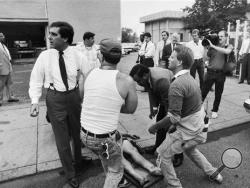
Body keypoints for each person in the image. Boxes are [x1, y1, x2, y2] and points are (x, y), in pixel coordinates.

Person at [148, 45, 223, 188]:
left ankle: (174, 185)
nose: (168, 59)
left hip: (189, 131)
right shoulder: (190, 78)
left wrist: (155, 127)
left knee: (163, 155)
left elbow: (174, 118)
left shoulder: (176, 85)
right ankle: (213, 173)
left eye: (172, 57)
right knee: (190, 150)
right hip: (198, 128)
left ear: (180, 61)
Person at [29, 21, 92, 188]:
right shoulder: (45, 56)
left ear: (65, 38)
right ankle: (70, 172)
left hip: (73, 97)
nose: (49, 37)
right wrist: (35, 101)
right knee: (62, 138)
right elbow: (35, 79)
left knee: (77, 133)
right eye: (49, 34)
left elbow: (90, 76)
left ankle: (79, 161)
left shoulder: (78, 56)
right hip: (54, 98)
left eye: (53, 34)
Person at [80, 38, 138, 188]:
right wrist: (112, 105)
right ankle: (114, 180)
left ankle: (115, 182)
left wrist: (103, 104)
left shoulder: (90, 73)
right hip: (104, 140)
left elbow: (82, 97)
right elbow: (131, 109)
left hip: (85, 135)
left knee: (106, 156)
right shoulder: (126, 80)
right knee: (116, 171)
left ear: (101, 55)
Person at [129, 64, 184, 167]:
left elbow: (170, 104)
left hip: (174, 102)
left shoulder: (161, 81)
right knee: (160, 126)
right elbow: (150, 90)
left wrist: (171, 121)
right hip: (165, 99)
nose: (138, 84)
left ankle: (178, 155)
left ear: (145, 75)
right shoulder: (147, 75)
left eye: (138, 81)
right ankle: (157, 147)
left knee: (173, 130)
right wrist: (153, 108)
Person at [202, 30, 233, 119]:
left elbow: (227, 52)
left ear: (226, 37)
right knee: (203, 93)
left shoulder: (228, 46)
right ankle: (197, 109)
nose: (219, 38)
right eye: (219, 36)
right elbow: (205, 59)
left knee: (218, 94)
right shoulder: (212, 46)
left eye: (222, 36)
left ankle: (215, 110)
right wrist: (205, 47)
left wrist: (213, 46)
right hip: (210, 73)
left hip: (221, 74)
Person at [0, 32, 19, 106]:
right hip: (1, 68)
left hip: (7, 67)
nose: (3, 37)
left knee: (9, 84)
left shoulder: (3, 45)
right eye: (1, 36)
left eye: (3, 36)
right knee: (0, 85)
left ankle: (10, 97)